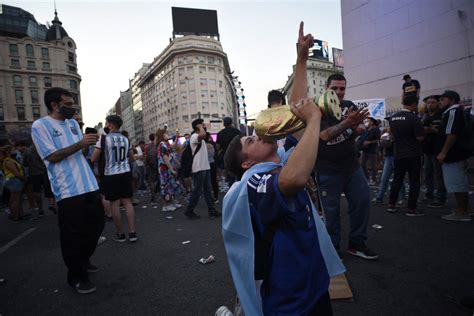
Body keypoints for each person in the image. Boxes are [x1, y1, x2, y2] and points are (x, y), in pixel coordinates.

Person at [31, 87, 104, 294]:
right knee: (72, 234)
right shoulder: (40, 126)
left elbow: (77, 151)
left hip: (89, 184)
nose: (73, 108)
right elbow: (52, 156)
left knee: (97, 225)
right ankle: (76, 277)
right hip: (68, 189)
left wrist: (87, 144)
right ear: (55, 105)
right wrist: (81, 143)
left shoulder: (72, 123)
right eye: (68, 104)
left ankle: (83, 259)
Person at [315, 73, 378, 260]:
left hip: (351, 167)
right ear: (326, 88)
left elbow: (360, 128)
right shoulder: (317, 109)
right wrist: (348, 124)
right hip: (327, 169)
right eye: (335, 88)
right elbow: (324, 136)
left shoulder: (349, 105)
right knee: (331, 212)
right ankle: (332, 248)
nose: (339, 92)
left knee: (362, 201)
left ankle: (356, 243)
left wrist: (358, 126)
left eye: (342, 88)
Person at [91, 115, 137, 242]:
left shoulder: (104, 139)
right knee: (128, 202)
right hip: (125, 173)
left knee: (115, 204)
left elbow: (94, 158)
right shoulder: (126, 139)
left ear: (110, 125)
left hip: (110, 175)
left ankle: (120, 234)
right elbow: (132, 158)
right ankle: (132, 233)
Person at [436, 90, 472, 221]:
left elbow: (452, 133)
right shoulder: (458, 112)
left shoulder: (453, 112)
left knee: (457, 184)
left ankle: (462, 213)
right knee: (460, 183)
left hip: (453, 154)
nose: (440, 102)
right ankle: (465, 209)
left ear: (451, 100)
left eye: (442, 100)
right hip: (457, 154)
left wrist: (443, 152)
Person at [387, 96, 425, 216]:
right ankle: (411, 209)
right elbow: (420, 137)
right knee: (414, 181)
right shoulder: (414, 118)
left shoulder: (392, 118)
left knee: (397, 179)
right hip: (413, 154)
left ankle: (391, 204)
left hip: (398, 154)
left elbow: (392, 135)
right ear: (414, 104)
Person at [184, 119, 220, 219]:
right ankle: (189, 211)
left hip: (205, 167)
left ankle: (211, 210)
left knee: (208, 190)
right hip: (199, 168)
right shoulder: (194, 136)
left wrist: (202, 127)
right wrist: (200, 127)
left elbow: (205, 135)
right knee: (197, 190)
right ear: (197, 126)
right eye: (202, 124)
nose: (204, 125)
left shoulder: (200, 137)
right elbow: (202, 135)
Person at [421, 95, 447, 207]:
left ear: (438, 104)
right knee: (427, 174)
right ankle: (429, 195)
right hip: (427, 150)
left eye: (433, 102)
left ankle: (440, 198)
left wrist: (432, 130)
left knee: (439, 175)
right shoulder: (425, 116)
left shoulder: (442, 115)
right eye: (428, 103)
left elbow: (445, 133)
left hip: (438, 149)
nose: (430, 104)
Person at [372, 129, 406, 204]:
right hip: (389, 156)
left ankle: (402, 198)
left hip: (397, 156)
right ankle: (379, 198)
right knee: (385, 178)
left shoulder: (399, 132)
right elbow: (382, 145)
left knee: (398, 178)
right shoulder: (387, 133)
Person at [155, 128, 181, 212]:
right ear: (162, 136)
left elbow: (173, 146)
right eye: (166, 133)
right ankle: (166, 205)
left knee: (171, 186)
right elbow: (166, 158)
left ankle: (171, 202)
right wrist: (172, 170)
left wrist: (177, 137)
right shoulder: (162, 145)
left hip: (167, 169)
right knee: (166, 187)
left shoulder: (166, 144)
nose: (168, 134)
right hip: (165, 169)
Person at [1, 145, 27, 222]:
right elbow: (16, 173)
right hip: (14, 180)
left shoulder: (8, 160)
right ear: (8, 152)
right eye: (13, 149)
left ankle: (18, 215)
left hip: (13, 181)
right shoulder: (9, 161)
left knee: (15, 199)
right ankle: (16, 216)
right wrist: (24, 179)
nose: (15, 150)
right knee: (15, 200)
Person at [216, 117, 241, 188]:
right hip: (237, 155)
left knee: (230, 176)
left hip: (226, 156)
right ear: (231, 123)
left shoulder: (220, 133)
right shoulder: (237, 132)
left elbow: (218, 147)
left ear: (224, 124)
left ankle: (232, 191)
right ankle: (241, 188)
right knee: (239, 173)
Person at [360, 117, 380, 185]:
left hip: (372, 150)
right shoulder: (367, 129)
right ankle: (367, 178)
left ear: (372, 122)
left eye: (368, 121)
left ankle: (373, 179)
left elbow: (378, 139)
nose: (367, 122)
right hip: (365, 149)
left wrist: (369, 142)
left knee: (373, 165)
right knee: (362, 164)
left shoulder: (376, 129)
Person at [144, 133, 159, 207]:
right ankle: (157, 192)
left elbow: (146, 157)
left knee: (151, 181)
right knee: (158, 179)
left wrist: (147, 164)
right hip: (158, 165)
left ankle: (153, 195)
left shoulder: (147, 146)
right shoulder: (158, 145)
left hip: (150, 166)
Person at [205, 132, 219, 203]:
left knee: (208, 182)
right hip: (213, 163)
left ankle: (210, 197)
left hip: (206, 164)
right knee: (213, 180)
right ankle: (215, 196)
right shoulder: (213, 144)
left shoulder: (203, 145)